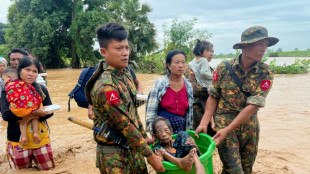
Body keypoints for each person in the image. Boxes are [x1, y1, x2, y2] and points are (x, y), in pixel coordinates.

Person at [195, 26, 279, 174]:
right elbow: (214, 95)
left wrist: (229, 128)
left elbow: (253, 105)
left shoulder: (266, 72)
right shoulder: (224, 68)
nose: (264, 49)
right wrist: (204, 122)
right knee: (235, 170)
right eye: (259, 44)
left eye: (266, 44)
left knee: (246, 169)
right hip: (224, 123)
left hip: (250, 126)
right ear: (245, 46)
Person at [84, 22, 165, 173]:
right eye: (119, 48)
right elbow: (125, 125)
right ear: (104, 51)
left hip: (134, 148)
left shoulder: (125, 73)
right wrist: (151, 156)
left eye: (126, 47)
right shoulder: (106, 87)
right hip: (114, 156)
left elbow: (132, 112)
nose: (125, 53)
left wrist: (143, 136)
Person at [1, 56, 55, 170]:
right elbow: (6, 115)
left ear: (38, 74)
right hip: (17, 139)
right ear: (20, 70)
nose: (31, 74)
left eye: (35, 71)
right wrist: (35, 113)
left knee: (48, 169)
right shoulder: (8, 90)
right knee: (23, 171)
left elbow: (50, 111)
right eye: (27, 70)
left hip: (40, 137)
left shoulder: (41, 89)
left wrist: (36, 114)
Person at [145, 50, 193, 134]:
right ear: (169, 66)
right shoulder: (161, 83)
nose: (181, 66)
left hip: (181, 129)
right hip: (162, 131)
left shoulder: (188, 85)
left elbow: (189, 114)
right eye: (177, 62)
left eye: (183, 62)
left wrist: (188, 133)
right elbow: (151, 111)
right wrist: (154, 133)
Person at [2, 67, 42, 146]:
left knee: (23, 122)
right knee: (35, 117)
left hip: (18, 111)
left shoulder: (7, 87)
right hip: (32, 109)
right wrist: (34, 113)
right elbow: (5, 116)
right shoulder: (28, 86)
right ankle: (35, 133)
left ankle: (24, 137)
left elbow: (10, 101)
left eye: (3, 80)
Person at [185, 39, 216, 135]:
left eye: (212, 52)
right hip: (198, 108)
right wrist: (213, 89)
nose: (211, 54)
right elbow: (194, 89)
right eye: (209, 51)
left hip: (211, 106)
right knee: (199, 136)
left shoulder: (207, 66)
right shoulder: (189, 67)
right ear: (200, 51)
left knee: (213, 136)